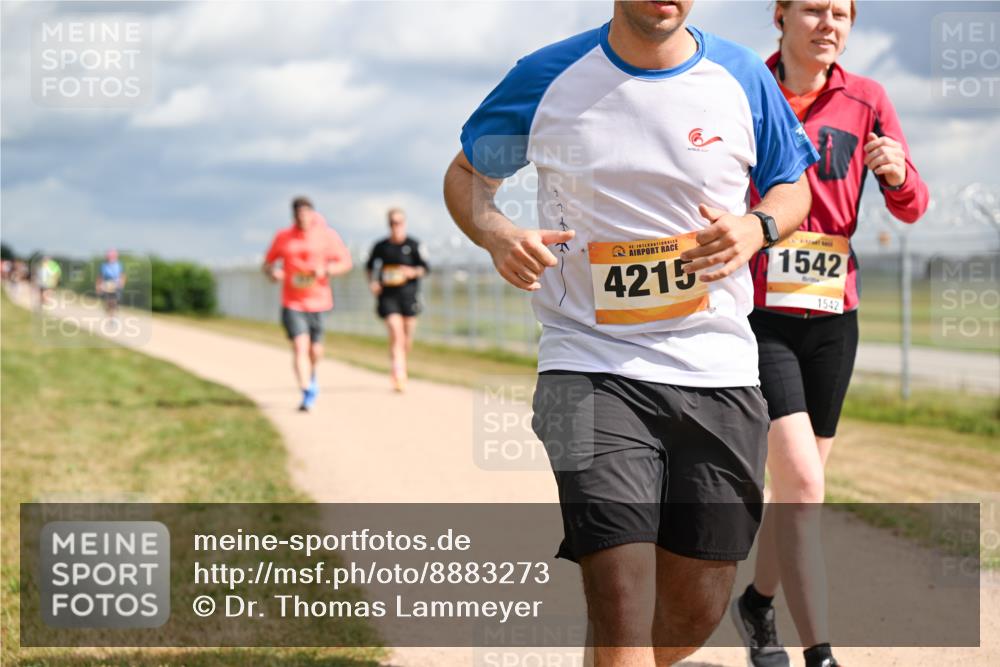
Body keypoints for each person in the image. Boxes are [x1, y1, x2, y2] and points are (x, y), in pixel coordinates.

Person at [444, 1, 818, 663]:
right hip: (586, 364)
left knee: (692, 609)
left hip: (718, 371)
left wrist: (756, 226)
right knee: (619, 598)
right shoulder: (548, 76)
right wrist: (499, 235)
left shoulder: (741, 77)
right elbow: (469, 175)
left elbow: (792, 187)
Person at [730, 3, 929, 667]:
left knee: (797, 490)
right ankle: (819, 651)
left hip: (834, 315)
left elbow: (912, 205)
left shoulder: (868, 99)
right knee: (805, 488)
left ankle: (757, 601)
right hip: (761, 315)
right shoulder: (744, 90)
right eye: (813, 9)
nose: (829, 23)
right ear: (780, 16)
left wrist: (897, 172)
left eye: (841, 12)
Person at [262, 196, 353, 411]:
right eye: (298, 214)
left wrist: (327, 270)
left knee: (315, 351)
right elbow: (267, 264)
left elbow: (346, 262)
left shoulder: (327, 236)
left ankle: (311, 377)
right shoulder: (283, 237)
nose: (302, 218)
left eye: (306, 213)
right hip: (292, 301)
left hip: (319, 301)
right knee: (299, 346)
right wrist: (273, 273)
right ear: (293, 216)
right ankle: (306, 391)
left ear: (312, 214)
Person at [365, 208, 430, 392]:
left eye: (399, 222)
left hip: (409, 296)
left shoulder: (414, 244)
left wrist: (412, 272)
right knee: (396, 333)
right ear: (388, 224)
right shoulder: (381, 246)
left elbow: (425, 268)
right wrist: (372, 283)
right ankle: (399, 374)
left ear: (404, 223)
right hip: (388, 296)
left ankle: (400, 362)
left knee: (406, 338)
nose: (396, 226)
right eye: (392, 223)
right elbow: (369, 267)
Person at [96, 249, 127, 317]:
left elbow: (123, 275)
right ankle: (110, 312)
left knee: (114, 300)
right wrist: (98, 286)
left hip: (116, 284)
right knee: (108, 301)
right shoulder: (104, 265)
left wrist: (122, 283)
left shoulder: (119, 265)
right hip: (106, 284)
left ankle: (113, 313)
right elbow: (100, 276)